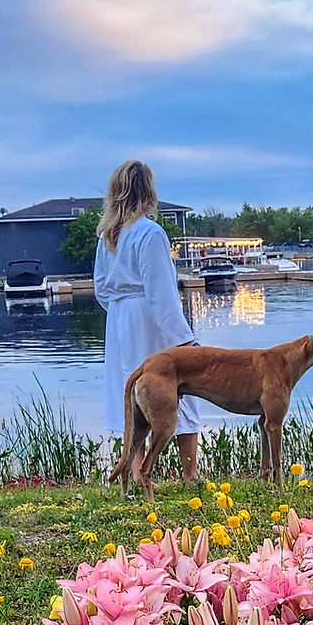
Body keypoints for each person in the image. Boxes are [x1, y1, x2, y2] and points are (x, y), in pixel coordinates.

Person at [93, 160, 199, 483]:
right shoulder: (150, 234)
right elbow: (161, 293)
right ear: (149, 192)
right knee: (180, 388)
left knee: (134, 395)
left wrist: (119, 313)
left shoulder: (108, 236)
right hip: (148, 321)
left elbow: (100, 288)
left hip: (120, 321)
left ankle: (139, 473)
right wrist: (183, 340)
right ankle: (189, 473)